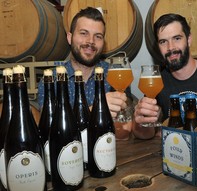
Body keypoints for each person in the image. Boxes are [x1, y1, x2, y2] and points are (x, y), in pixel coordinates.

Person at [132, 13, 197, 139]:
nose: (171, 48)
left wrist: (169, 132)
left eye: (177, 38)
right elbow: (146, 134)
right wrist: (140, 122)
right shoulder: (157, 81)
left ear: (189, 39)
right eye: (163, 41)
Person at [37, 7, 132, 139]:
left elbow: (125, 132)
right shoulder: (51, 80)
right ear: (70, 38)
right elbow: (49, 132)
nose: (91, 41)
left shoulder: (116, 74)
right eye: (83, 33)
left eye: (98, 36)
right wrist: (96, 111)